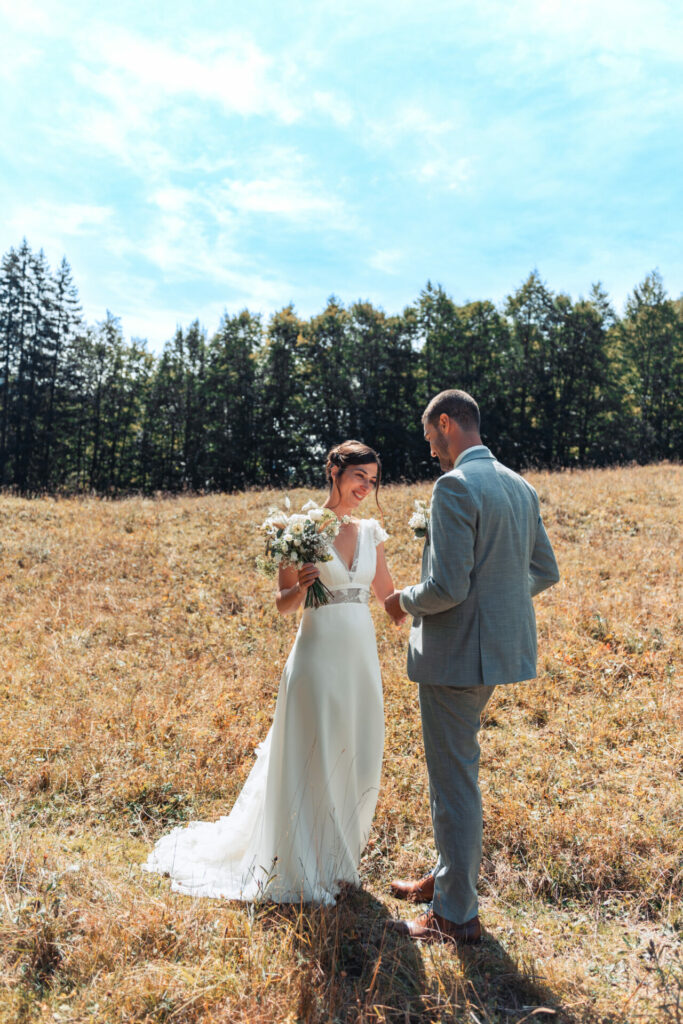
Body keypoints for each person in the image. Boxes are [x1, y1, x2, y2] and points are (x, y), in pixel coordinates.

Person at [144, 441, 397, 904]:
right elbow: (282, 605)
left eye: (373, 479)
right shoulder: (298, 528)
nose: (367, 486)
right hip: (316, 660)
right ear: (335, 471)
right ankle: (297, 861)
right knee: (311, 753)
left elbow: (389, 598)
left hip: (361, 662)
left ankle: (338, 860)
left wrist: (442, 603)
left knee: (356, 752)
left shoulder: (371, 532)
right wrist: (299, 587)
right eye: (360, 475)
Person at [384, 389, 559, 943]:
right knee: (454, 777)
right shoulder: (519, 484)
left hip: (455, 659)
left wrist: (400, 601)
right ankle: (444, 880)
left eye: (431, 437)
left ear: (446, 423)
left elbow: (446, 588)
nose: (431, 449)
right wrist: (499, 601)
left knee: (454, 784)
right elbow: (544, 570)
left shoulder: (455, 485)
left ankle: (456, 917)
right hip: (494, 654)